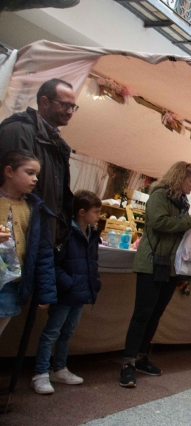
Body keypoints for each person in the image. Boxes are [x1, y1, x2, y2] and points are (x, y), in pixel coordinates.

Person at [120, 162, 191, 388]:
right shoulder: (159, 195)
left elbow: (177, 228)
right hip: (152, 262)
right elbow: (158, 222)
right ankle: (127, 363)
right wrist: (189, 222)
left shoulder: (182, 203)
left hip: (170, 265)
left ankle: (141, 357)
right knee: (142, 314)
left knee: (155, 314)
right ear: (179, 178)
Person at [32, 190, 102, 395]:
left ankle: (59, 368)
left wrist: (94, 283)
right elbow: (54, 263)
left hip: (79, 293)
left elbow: (92, 262)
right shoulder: (65, 232)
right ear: (82, 212)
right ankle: (41, 372)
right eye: (96, 212)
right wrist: (68, 283)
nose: (98, 216)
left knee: (68, 331)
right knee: (52, 332)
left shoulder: (91, 234)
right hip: (66, 292)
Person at [0, 79, 76, 245]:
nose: (70, 111)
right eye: (65, 105)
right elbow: (11, 190)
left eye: (73, 107)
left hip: (41, 234)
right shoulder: (18, 131)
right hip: (17, 234)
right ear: (44, 102)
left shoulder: (58, 144)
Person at [0, 150, 56, 338]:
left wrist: (46, 291)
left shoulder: (35, 209)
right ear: (9, 172)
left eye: (37, 175)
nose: (35, 179)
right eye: (29, 173)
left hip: (12, 283)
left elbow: (43, 252)